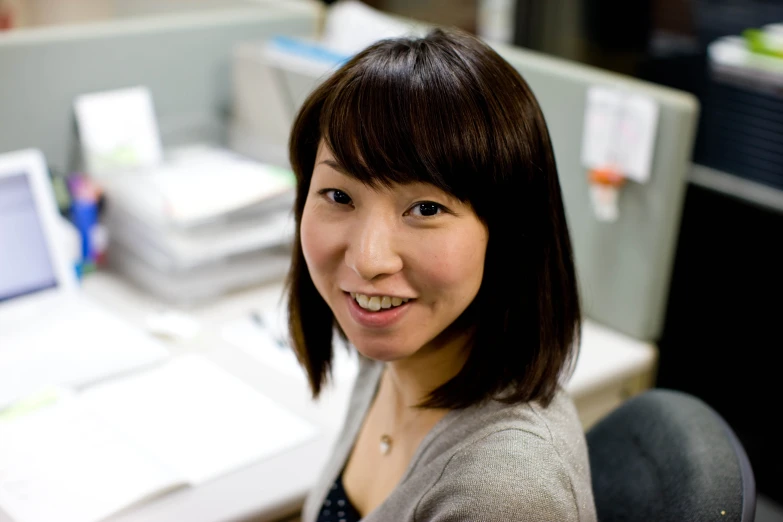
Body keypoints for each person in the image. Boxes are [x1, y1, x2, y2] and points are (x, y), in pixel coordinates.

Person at [286, 27, 597, 522]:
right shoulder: (397, 351)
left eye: (425, 208)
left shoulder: (504, 496)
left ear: (509, 232)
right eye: (339, 196)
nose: (369, 260)